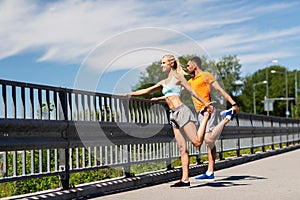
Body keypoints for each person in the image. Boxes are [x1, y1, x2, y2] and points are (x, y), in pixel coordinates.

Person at [124, 54, 214, 188]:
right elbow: (147, 91)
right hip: (172, 115)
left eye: (164, 62)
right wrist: (129, 94)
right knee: (182, 148)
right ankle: (185, 180)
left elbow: (192, 92)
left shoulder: (178, 78)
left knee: (196, 142)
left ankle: (205, 117)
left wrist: (206, 105)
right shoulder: (163, 82)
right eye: (161, 63)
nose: (162, 65)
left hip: (181, 112)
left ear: (171, 63)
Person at [186, 56, 240, 181]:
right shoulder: (190, 81)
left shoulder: (205, 75)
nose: (187, 68)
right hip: (200, 113)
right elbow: (178, 90)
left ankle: (226, 118)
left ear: (195, 65)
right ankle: (210, 172)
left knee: (208, 140)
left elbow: (220, 90)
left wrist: (233, 103)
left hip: (208, 110)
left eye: (189, 65)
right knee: (209, 143)